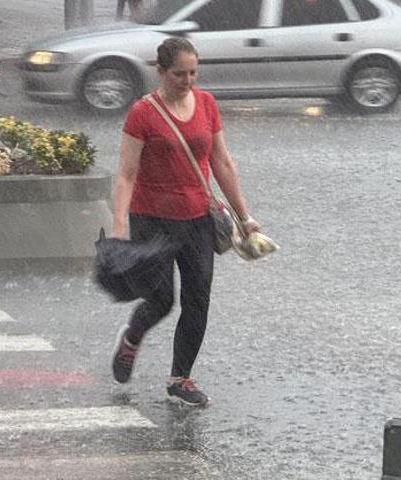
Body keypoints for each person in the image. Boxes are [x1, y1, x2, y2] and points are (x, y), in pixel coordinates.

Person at [109, 37, 260, 407]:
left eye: (193, 72)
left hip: (197, 219)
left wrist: (244, 216)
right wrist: (117, 226)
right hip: (151, 220)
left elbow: (222, 162)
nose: (188, 80)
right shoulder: (142, 113)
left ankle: (181, 378)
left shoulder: (207, 104)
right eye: (180, 73)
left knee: (198, 299)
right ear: (160, 71)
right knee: (161, 300)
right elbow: (126, 174)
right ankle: (131, 338)